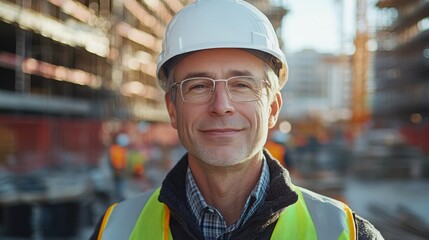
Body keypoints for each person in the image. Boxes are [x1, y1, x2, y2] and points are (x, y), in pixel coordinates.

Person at [90, 0, 383, 239]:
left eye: (242, 85)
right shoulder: (115, 229)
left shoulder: (346, 233)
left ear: (272, 108)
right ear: (172, 109)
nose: (221, 106)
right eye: (198, 86)